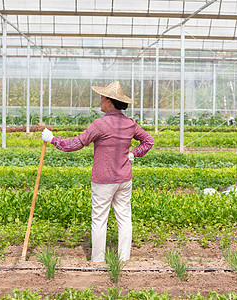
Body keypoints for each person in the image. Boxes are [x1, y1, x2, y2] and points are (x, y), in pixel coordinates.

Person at [41, 81, 154, 262]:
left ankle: (98, 260)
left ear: (110, 101)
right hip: (124, 178)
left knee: (99, 219)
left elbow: (76, 144)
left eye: (102, 98)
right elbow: (148, 141)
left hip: (103, 180)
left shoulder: (100, 124)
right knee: (124, 218)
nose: (100, 101)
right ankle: (123, 259)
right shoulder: (130, 124)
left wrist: (53, 139)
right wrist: (134, 154)